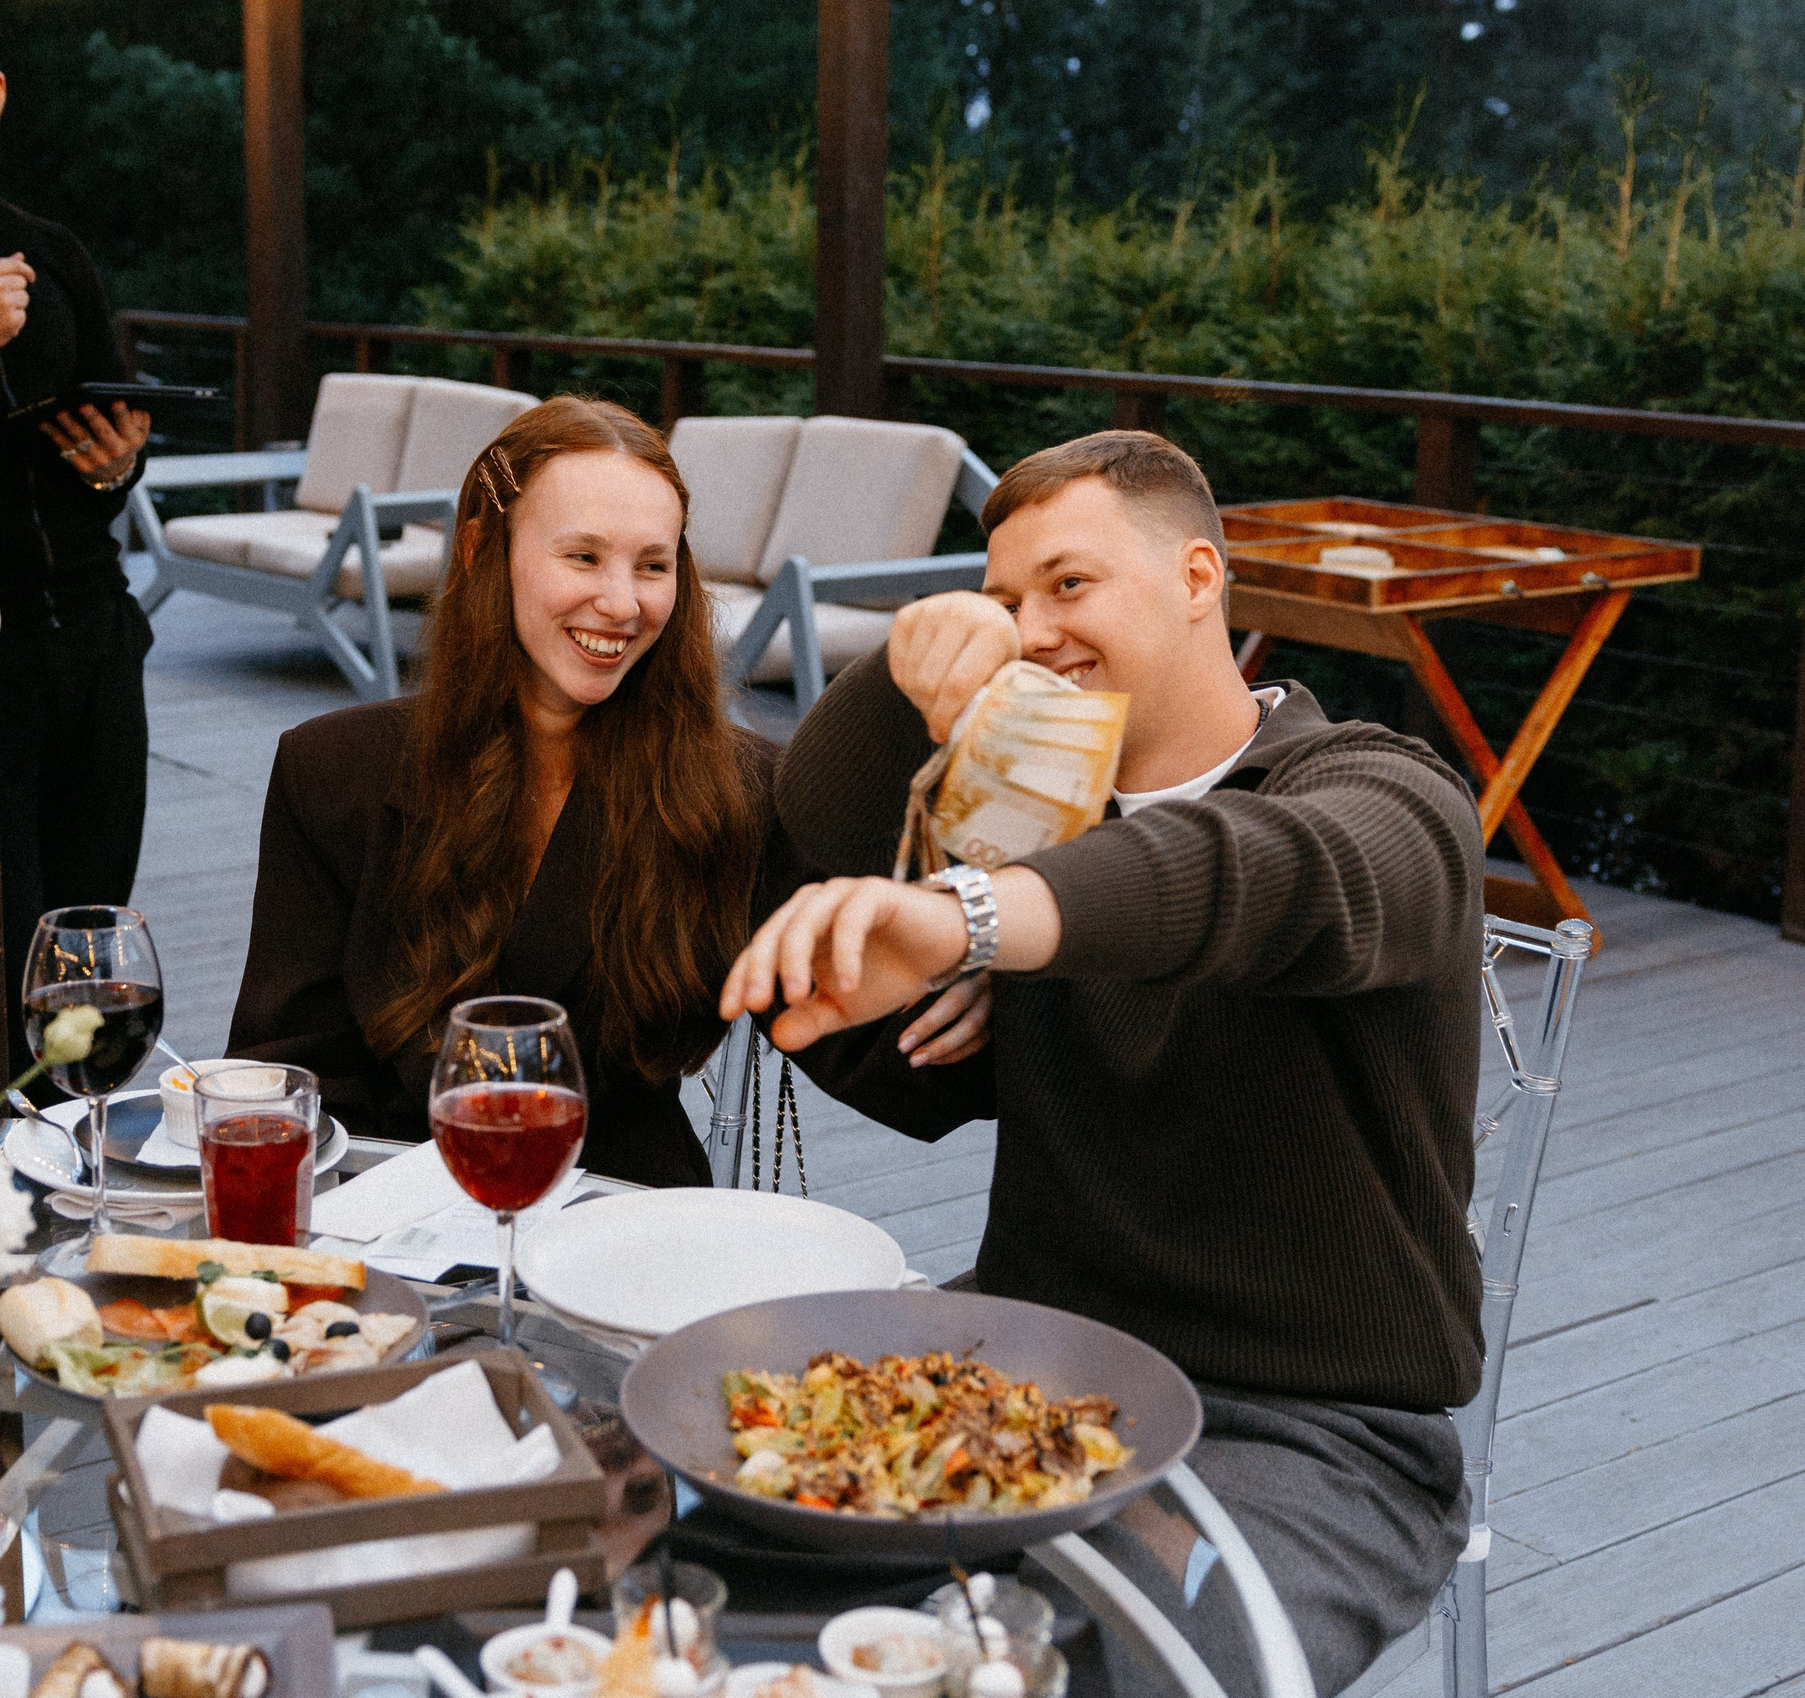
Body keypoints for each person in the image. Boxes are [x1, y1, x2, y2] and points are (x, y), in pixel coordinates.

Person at [727, 431, 1484, 1696]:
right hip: (1032, 1359)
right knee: (722, 1549)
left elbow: (1266, 878)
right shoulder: (1031, 823)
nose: (1030, 633)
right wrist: (899, 688)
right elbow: (851, 976)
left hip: (1311, 1432)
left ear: (1199, 577)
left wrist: (984, 916)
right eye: (1005, 600)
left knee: (1091, 1674)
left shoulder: (1379, 790)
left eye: (1069, 587)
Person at [225, 397, 784, 1187]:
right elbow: (289, 1073)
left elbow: (885, 1046)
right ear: (483, 550)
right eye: (584, 557)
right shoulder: (331, 770)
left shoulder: (741, 786)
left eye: (653, 565)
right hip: (380, 1213)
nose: (624, 603)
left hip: (628, 1219)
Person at [0, 6, 156, 1076]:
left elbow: (117, 418)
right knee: (0, 915)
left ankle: (84, 1111)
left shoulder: (48, 251)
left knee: (95, 919)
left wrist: (120, 460)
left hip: (90, 624)